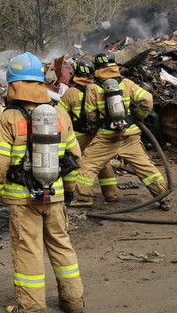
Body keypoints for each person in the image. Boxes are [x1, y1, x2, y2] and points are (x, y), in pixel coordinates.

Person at [0, 52, 85, 313]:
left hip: (22, 199)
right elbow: (74, 158)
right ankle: (73, 301)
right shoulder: (60, 115)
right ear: (40, 84)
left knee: (28, 250)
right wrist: (70, 189)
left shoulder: (8, 118)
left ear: (13, 85)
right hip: (55, 194)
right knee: (62, 246)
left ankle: (32, 309)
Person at [69, 51, 171, 210]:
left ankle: (83, 198)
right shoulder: (127, 83)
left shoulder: (93, 88)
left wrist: (96, 123)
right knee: (145, 167)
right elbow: (147, 99)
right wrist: (139, 115)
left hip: (107, 137)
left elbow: (90, 114)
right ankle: (163, 197)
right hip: (129, 134)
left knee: (87, 165)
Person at [58, 58, 118, 203]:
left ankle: (74, 194)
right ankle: (111, 194)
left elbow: (61, 115)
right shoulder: (98, 89)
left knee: (72, 161)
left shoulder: (71, 93)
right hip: (98, 133)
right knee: (102, 162)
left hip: (78, 135)